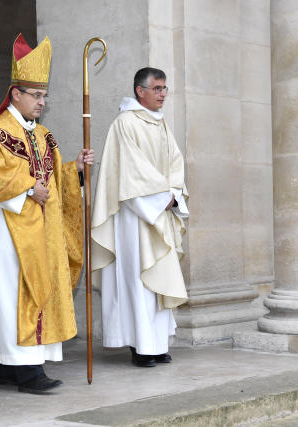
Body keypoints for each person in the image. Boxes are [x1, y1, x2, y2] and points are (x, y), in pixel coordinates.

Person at [0, 33, 94, 394]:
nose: (43, 102)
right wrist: (26, 189)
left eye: (45, 96)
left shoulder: (43, 135)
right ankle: (28, 371)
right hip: (4, 228)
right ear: (15, 94)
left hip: (36, 228)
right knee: (11, 293)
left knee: (17, 294)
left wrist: (74, 171)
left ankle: (8, 368)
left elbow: (52, 177)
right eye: (37, 96)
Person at [91, 67, 189, 368]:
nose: (162, 94)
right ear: (140, 91)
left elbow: (176, 162)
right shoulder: (125, 123)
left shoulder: (161, 125)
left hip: (159, 211)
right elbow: (131, 172)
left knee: (159, 276)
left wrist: (173, 193)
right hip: (135, 216)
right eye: (157, 88)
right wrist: (161, 197)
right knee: (138, 280)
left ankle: (157, 344)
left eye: (164, 89)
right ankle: (140, 346)